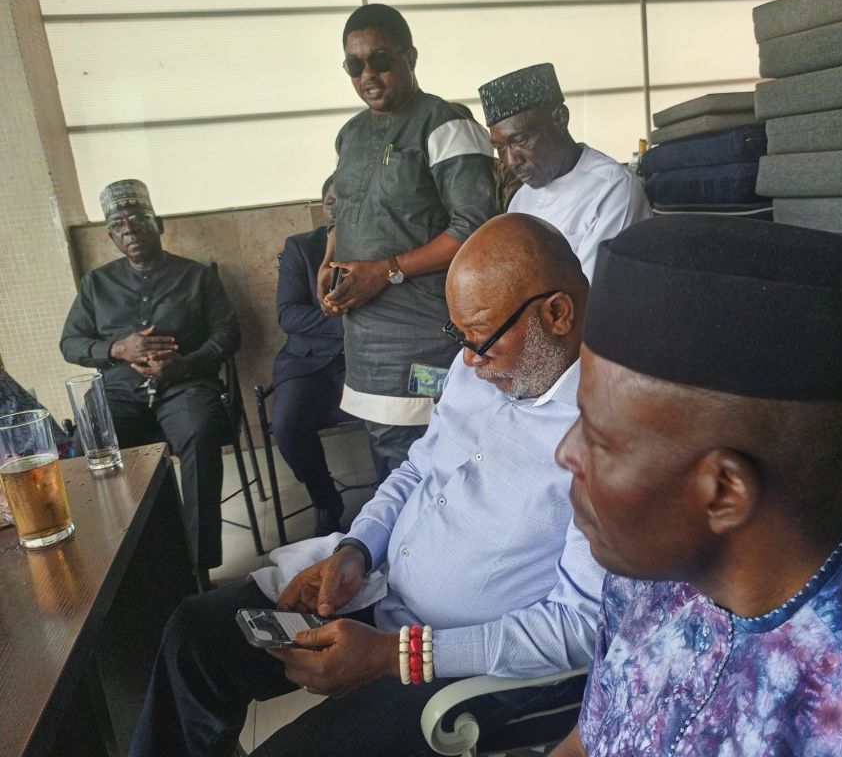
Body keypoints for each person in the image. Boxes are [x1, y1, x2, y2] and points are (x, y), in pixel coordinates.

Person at [129, 213, 604, 757]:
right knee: (196, 636)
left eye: (484, 342)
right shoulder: (481, 367)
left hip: (466, 661)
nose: (469, 361)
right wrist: (357, 549)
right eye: (461, 338)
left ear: (557, 313)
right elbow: (416, 469)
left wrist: (394, 655)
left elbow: (578, 625)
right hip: (379, 588)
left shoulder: (612, 435)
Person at [550, 216, 842, 756]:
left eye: (599, 438)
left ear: (724, 492)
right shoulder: (651, 571)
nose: (565, 452)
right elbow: (587, 742)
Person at [319, 4, 495, 483]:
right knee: (390, 462)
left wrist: (386, 270)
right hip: (365, 340)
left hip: (424, 336)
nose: (368, 76)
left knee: (436, 464)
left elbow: (475, 228)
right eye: (354, 65)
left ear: (410, 57)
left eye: (380, 60)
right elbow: (347, 209)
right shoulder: (350, 135)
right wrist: (329, 259)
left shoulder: (444, 124)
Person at [60, 179, 240, 586]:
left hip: (185, 384)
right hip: (121, 391)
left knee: (200, 432)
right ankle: (130, 563)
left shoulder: (197, 276)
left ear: (158, 224)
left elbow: (229, 333)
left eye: (138, 220)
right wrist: (117, 349)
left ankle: (199, 567)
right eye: (118, 225)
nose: (129, 230)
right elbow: (70, 342)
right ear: (111, 237)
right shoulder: (95, 285)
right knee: (95, 443)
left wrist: (186, 363)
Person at [479, 63, 651, 281]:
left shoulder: (613, 188)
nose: (511, 161)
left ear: (560, 119)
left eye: (521, 140)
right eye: (500, 148)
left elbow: (590, 290)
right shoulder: (521, 199)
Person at [271, 175, 348, 536]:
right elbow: (288, 314)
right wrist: (348, 324)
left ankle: (390, 498)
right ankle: (326, 500)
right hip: (306, 362)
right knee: (286, 424)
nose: (338, 210)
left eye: (348, 202)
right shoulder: (300, 247)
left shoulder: (382, 245)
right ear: (322, 208)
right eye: (331, 203)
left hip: (361, 360)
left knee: (388, 414)